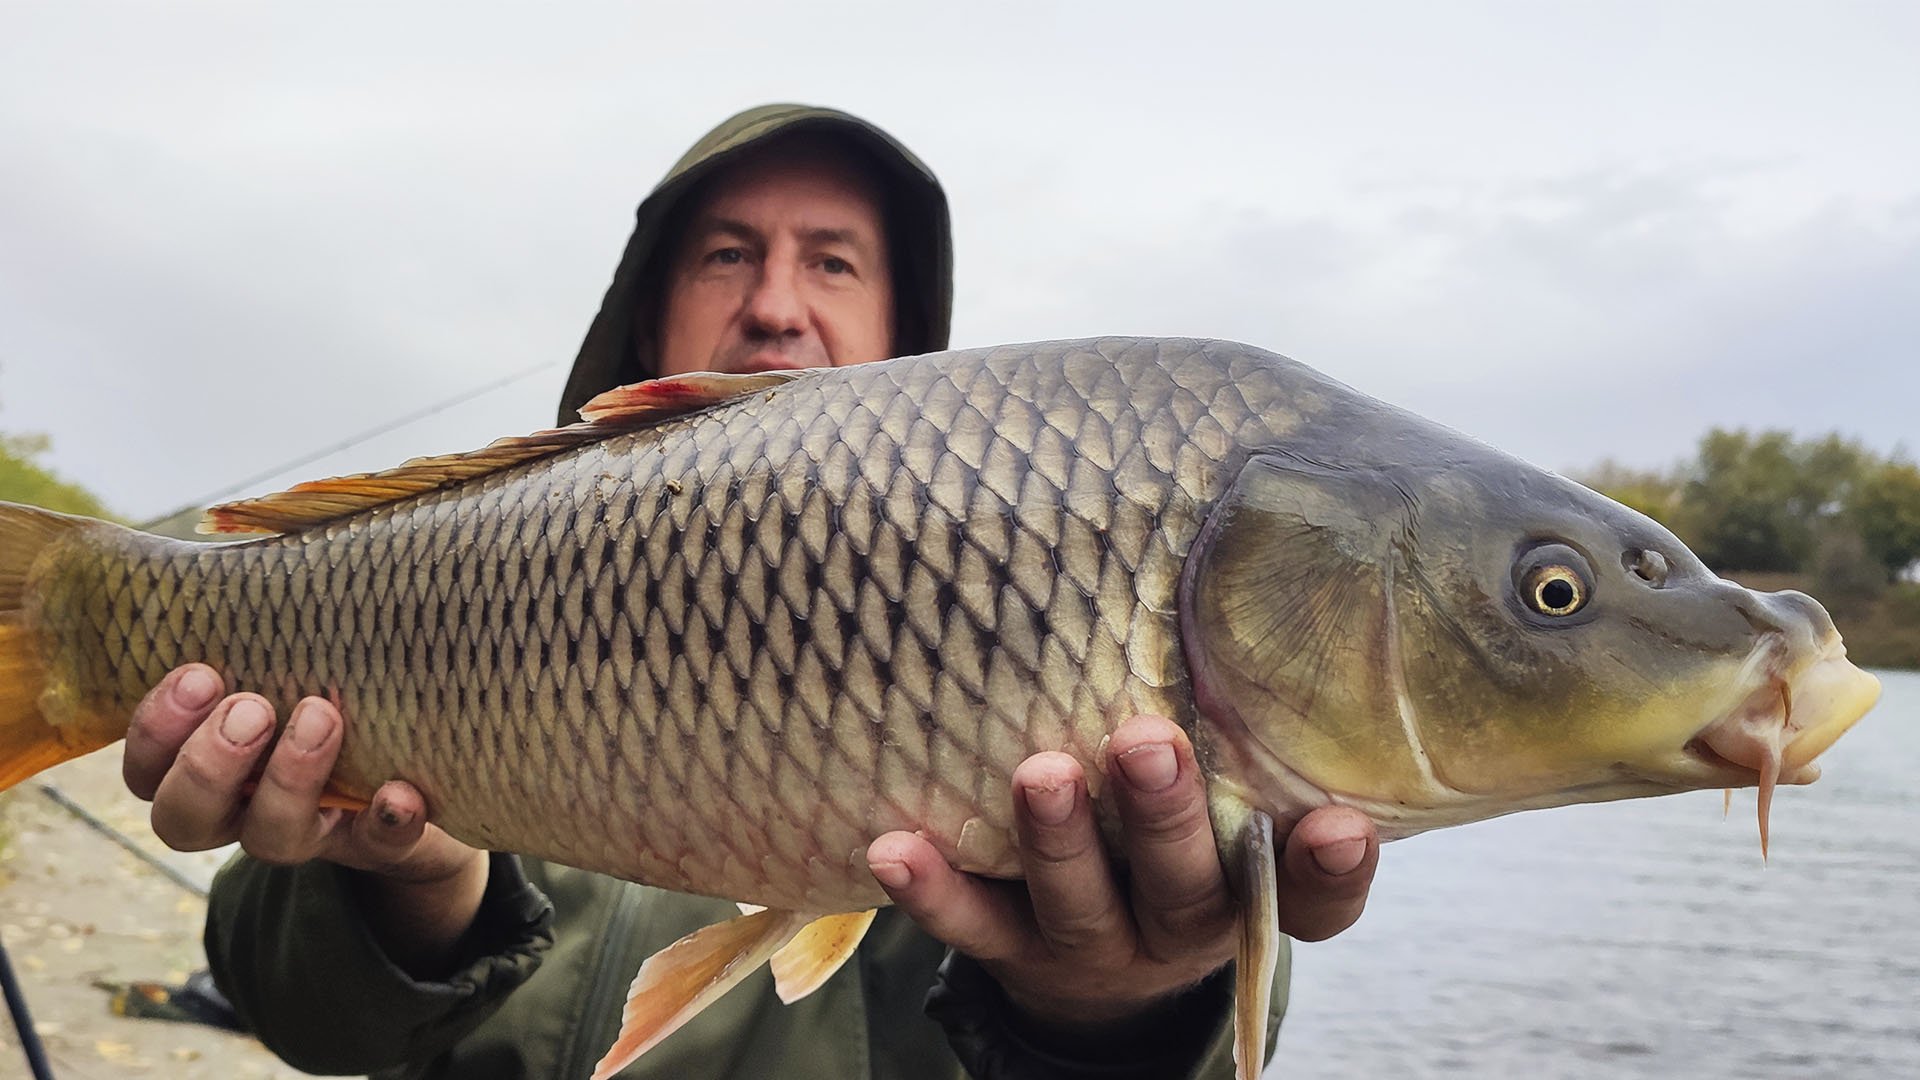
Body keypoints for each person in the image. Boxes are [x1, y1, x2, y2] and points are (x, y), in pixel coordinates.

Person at [120, 103, 1382, 1078]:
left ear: (913, 346)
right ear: (648, 311)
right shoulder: (458, 570)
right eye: (730, 254)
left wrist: (1114, 1001)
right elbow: (297, 1017)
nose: (777, 304)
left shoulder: (1047, 609)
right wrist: (416, 885)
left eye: (833, 263)